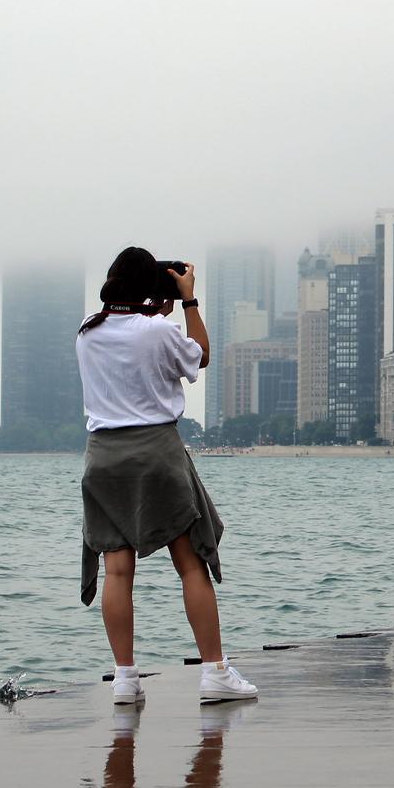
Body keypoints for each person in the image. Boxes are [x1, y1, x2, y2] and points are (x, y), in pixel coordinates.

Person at [75, 246, 258, 705]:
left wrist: (153, 310)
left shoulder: (87, 333)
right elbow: (201, 356)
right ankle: (215, 673)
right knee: (190, 563)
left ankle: (124, 681)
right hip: (155, 453)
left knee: (117, 570)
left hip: (102, 458)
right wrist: (189, 302)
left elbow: (129, 333)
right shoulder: (158, 331)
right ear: (148, 287)